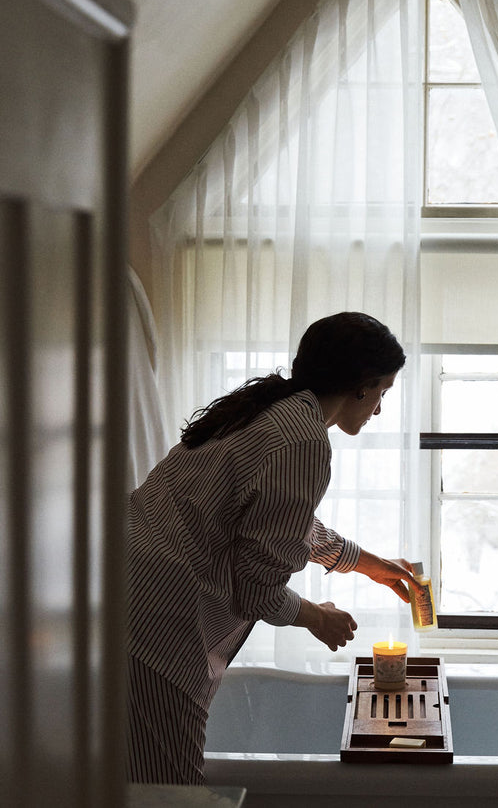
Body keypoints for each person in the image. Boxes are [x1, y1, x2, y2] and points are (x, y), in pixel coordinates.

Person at [127, 311, 415, 785]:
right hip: (158, 628)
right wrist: (316, 617)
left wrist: (368, 565)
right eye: (383, 391)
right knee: (169, 789)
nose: (380, 408)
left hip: (117, 596)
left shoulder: (265, 412)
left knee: (125, 780)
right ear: (361, 384)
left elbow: (279, 523)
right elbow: (256, 590)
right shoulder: (303, 440)